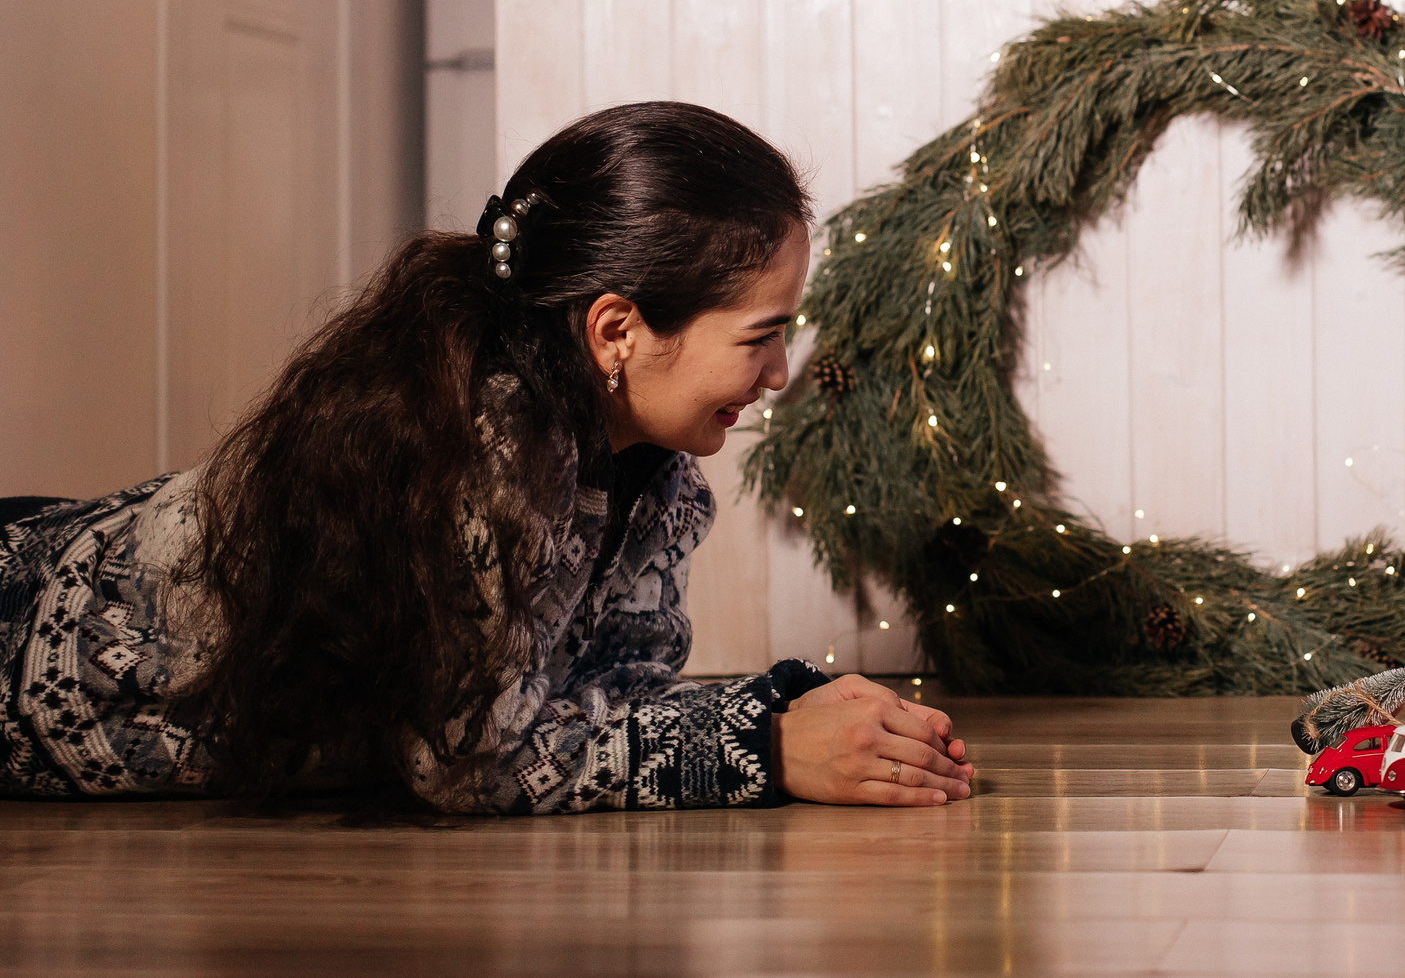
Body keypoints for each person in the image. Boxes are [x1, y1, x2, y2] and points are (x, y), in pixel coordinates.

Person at [0, 101, 973, 814]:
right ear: (617, 331)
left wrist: (793, 709)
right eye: (760, 335)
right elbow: (473, 759)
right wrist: (760, 743)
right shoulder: (476, 447)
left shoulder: (659, 475)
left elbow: (600, 696)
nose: (776, 374)